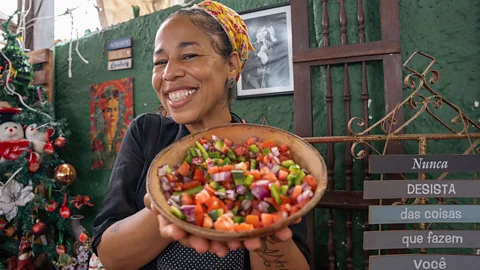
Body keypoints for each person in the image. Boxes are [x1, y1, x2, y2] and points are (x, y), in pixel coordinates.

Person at [92, 1, 310, 269]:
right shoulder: (146, 134)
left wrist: (263, 214)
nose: (169, 73)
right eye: (160, 61)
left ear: (231, 65)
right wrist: (174, 205)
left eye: (189, 55)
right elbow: (111, 257)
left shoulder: (266, 159)